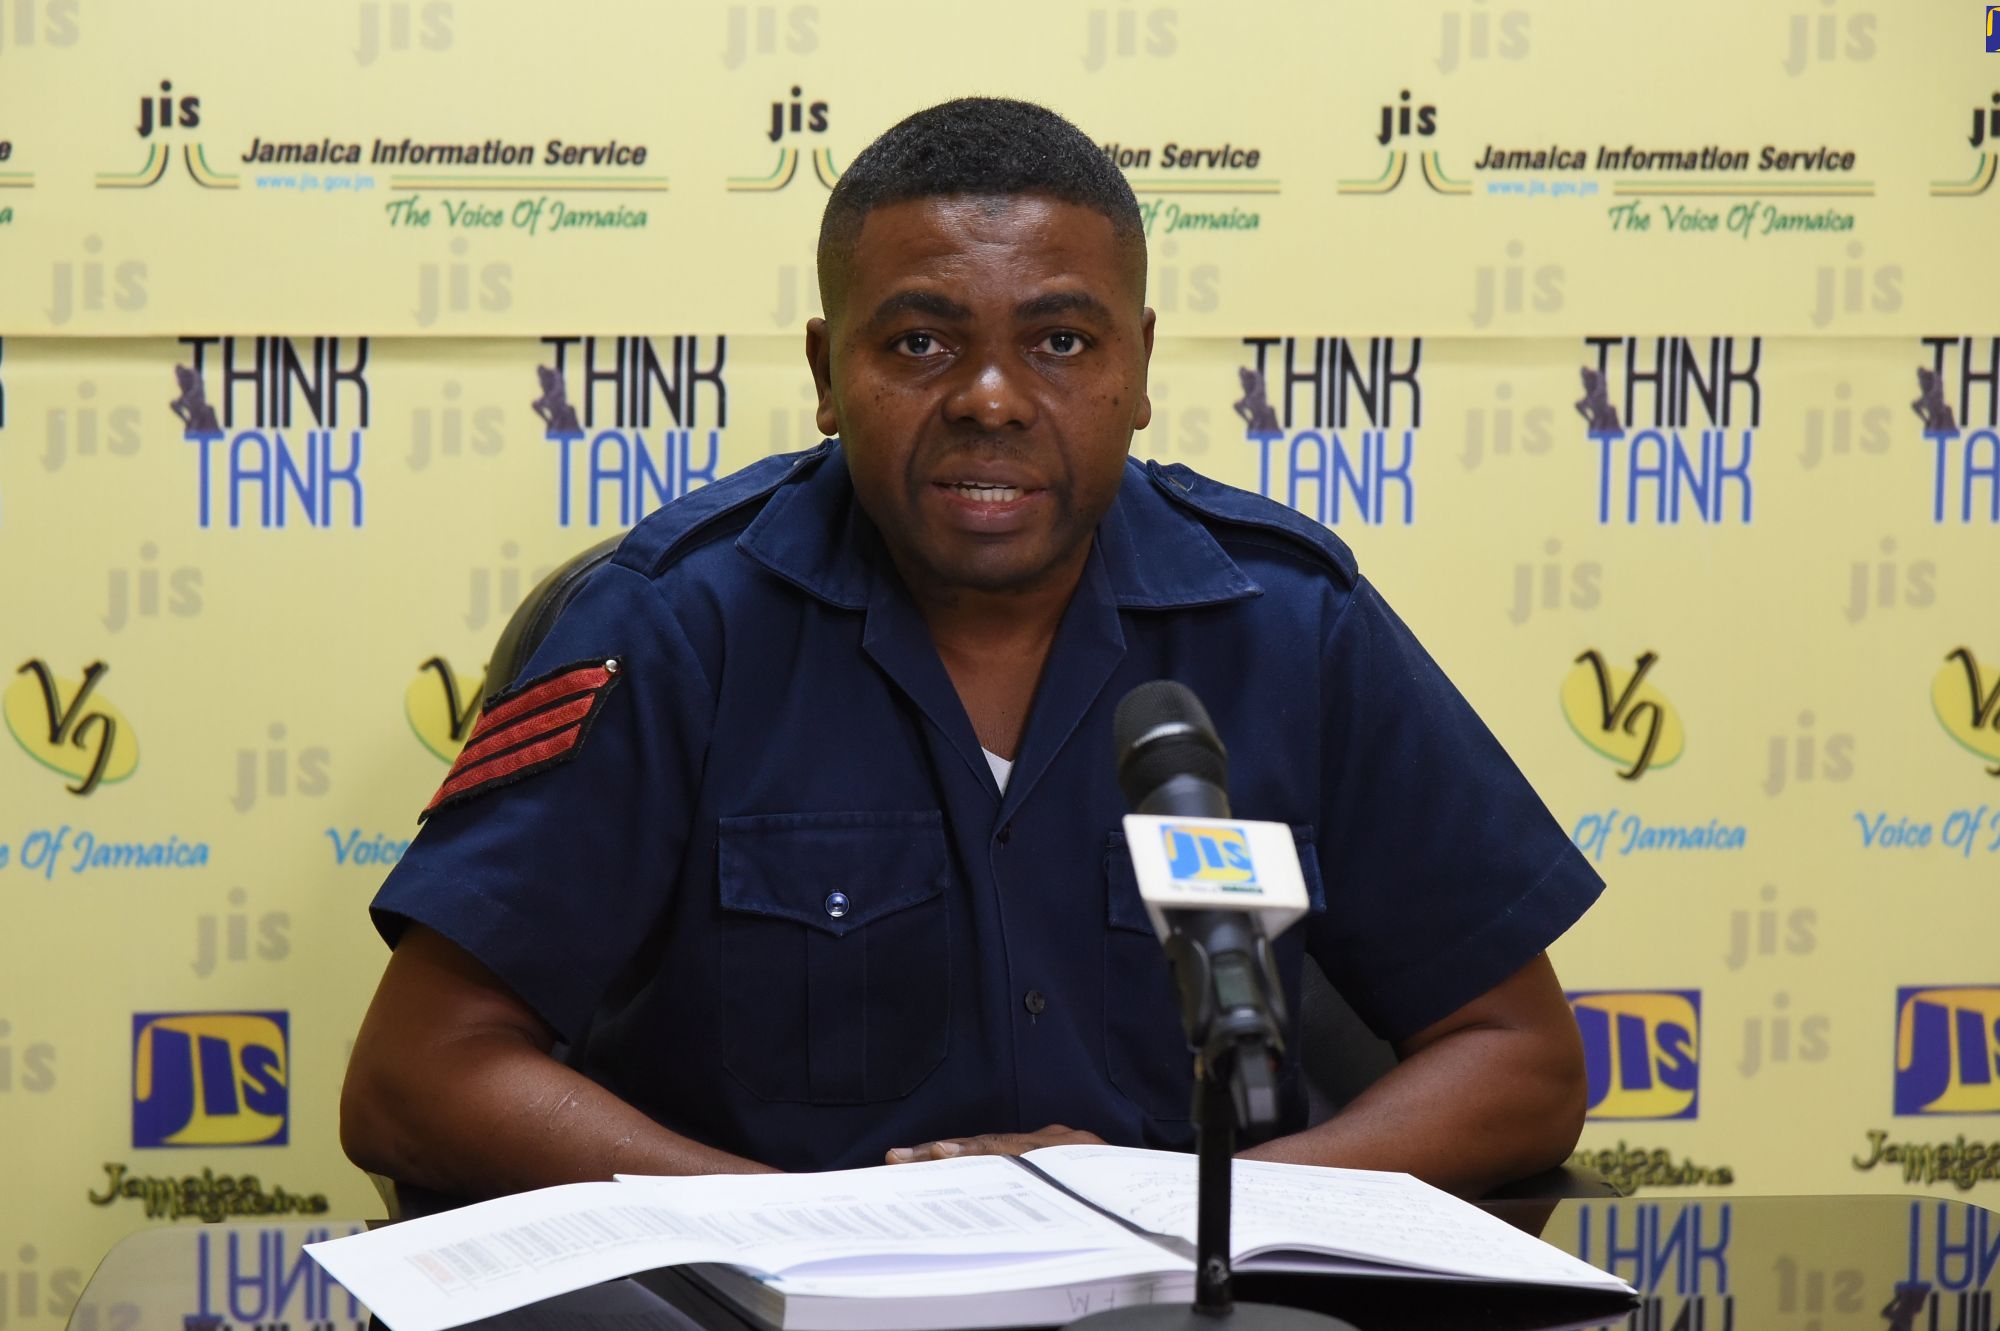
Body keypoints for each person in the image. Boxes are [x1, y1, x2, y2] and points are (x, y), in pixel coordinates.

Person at [340, 97, 1601, 1204]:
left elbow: (1521, 1058)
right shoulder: (675, 623)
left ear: (1141, 366)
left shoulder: (1289, 622)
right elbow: (417, 1079)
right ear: (829, 374)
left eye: (1059, 341)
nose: (991, 395)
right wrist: (813, 1225)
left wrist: (1177, 1205)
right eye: (919, 342)